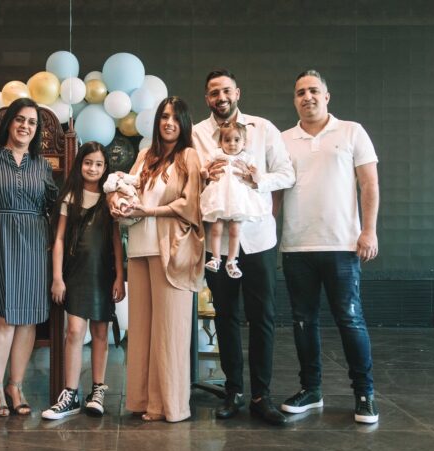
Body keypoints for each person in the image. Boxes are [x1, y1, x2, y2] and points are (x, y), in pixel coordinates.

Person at [192, 69, 295, 425]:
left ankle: (261, 395)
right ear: (207, 99)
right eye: (213, 92)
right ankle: (233, 390)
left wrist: (258, 179)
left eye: (226, 90)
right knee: (225, 315)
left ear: (237, 93)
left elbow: (287, 173)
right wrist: (202, 176)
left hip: (259, 238)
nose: (220, 97)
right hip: (217, 245)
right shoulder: (196, 134)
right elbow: (186, 178)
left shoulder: (263, 128)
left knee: (262, 317)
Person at [279, 70, 380, 424]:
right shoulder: (283, 139)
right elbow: (274, 194)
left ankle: (364, 394)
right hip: (296, 246)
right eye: (300, 92)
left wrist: (369, 231)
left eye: (313, 91)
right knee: (303, 321)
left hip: (342, 245)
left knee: (350, 320)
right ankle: (311, 390)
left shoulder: (352, 131)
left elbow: (369, 184)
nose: (307, 97)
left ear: (326, 96)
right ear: (295, 100)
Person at [109, 96, 204, 423]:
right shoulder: (145, 156)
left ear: (184, 123)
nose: (169, 123)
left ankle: (171, 406)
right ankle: (144, 401)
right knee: (141, 331)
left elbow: (190, 205)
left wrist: (149, 211)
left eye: (175, 118)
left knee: (169, 333)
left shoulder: (189, 156)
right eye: (164, 116)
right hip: (138, 249)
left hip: (171, 252)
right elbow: (127, 188)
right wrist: (116, 201)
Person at [0, 97, 58, 416]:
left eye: (32, 122)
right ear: (9, 122)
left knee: (28, 318)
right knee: (3, 316)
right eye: (20, 119)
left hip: (35, 242)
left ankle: (16, 385)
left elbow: (58, 204)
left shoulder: (42, 165)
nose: (25, 126)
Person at [42, 142, 125, 420]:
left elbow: (116, 240)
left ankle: (97, 390)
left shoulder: (110, 197)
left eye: (99, 164)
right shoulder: (70, 197)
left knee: (100, 332)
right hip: (75, 273)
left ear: (106, 168)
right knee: (75, 331)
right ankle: (70, 394)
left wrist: (120, 276)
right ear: (80, 164)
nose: (93, 168)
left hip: (103, 273)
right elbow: (59, 239)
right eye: (88, 162)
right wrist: (57, 277)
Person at [200, 122, 269, 279]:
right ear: (220, 142)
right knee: (216, 229)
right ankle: (215, 258)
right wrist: (204, 172)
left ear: (244, 143)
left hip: (238, 199)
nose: (232, 144)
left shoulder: (246, 157)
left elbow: (257, 179)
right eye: (227, 140)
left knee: (235, 230)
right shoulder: (217, 154)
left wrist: (255, 173)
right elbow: (204, 168)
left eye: (237, 140)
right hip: (219, 197)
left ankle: (231, 261)